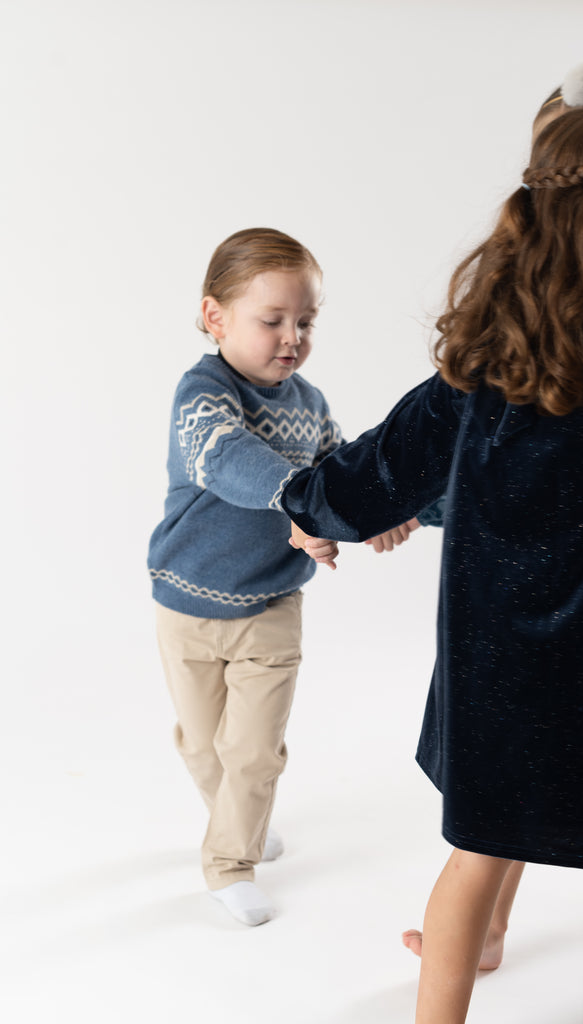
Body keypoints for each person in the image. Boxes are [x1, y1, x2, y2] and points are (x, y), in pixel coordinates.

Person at [282, 73, 583, 1024]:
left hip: (491, 683)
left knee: (473, 858)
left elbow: (372, 473)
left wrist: (307, 507)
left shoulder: (476, 363)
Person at [400, 62, 583, 986]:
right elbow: (463, 454)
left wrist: (343, 502)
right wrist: (399, 505)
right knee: (521, 779)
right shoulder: (520, 334)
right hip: (557, 600)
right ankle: (488, 928)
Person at [148, 227, 363, 927]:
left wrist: (384, 514)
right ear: (216, 317)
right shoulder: (203, 393)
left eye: (306, 321)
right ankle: (240, 817)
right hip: (185, 602)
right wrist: (299, 502)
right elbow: (224, 458)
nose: (291, 337)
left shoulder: (311, 405)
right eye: (272, 320)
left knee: (252, 752)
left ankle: (228, 863)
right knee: (202, 744)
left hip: (271, 605)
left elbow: (342, 480)